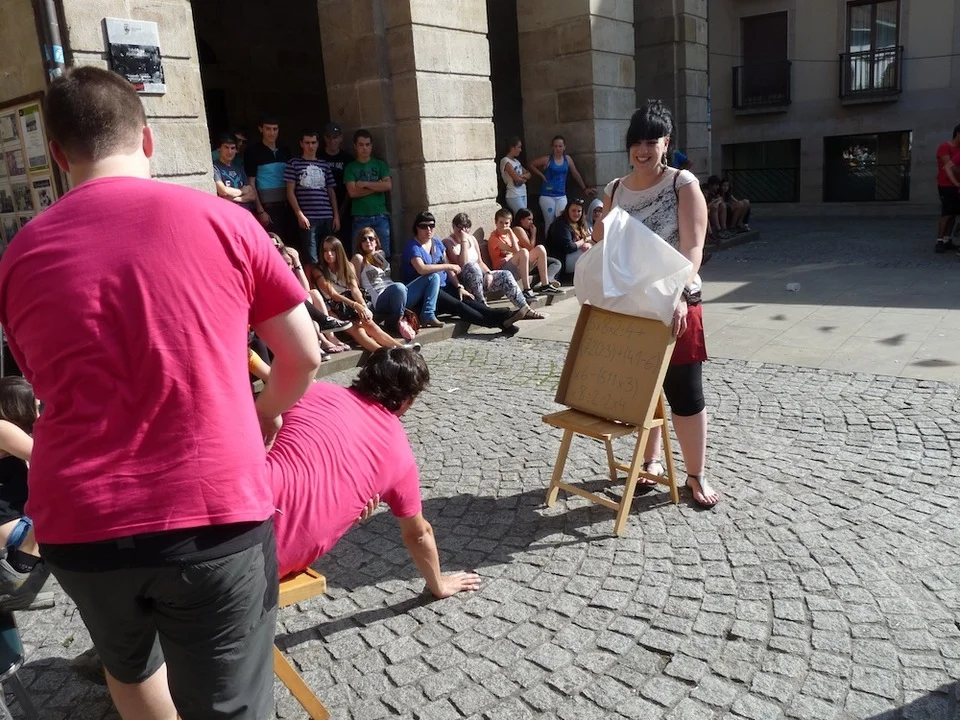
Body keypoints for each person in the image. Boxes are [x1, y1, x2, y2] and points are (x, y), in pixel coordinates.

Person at [0, 67, 322, 720]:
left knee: (130, 667)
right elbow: (304, 356)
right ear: (148, 140)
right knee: (230, 703)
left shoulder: (19, 255)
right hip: (212, 515)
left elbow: (39, 376)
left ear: (57, 155)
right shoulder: (225, 222)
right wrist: (264, 413)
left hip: (80, 522)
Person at [594, 100, 719, 510]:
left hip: (677, 302)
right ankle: (650, 462)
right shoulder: (615, 189)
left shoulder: (682, 184)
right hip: (633, 306)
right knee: (641, 390)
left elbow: (693, 248)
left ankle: (696, 473)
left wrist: (680, 295)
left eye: (652, 141)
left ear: (666, 143)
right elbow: (604, 245)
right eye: (636, 142)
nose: (643, 150)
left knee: (684, 391)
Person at [402, 212, 518, 332]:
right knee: (459, 306)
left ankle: (504, 320)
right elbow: (422, 269)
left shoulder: (436, 242)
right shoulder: (413, 247)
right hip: (429, 292)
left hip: (446, 286)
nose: (428, 229)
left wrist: (458, 286)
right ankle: (501, 319)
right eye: (423, 226)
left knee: (468, 300)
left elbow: (449, 269)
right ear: (417, 228)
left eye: (431, 226)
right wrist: (449, 266)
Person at [0, 377, 52, 611]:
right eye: (36, 406)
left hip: (17, 526)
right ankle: (21, 571)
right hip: (16, 533)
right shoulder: (2, 428)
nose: (39, 412)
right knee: (65, 498)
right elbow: (51, 459)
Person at [313, 236, 411, 353]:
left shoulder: (348, 266)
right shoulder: (318, 270)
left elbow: (355, 289)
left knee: (372, 326)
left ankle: (403, 350)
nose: (329, 254)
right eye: (325, 251)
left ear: (339, 251)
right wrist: (355, 305)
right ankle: (383, 354)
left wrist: (363, 306)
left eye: (332, 250)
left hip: (350, 306)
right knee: (359, 331)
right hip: (335, 309)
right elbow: (332, 294)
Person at [443, 213, 545, 324]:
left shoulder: (472, 239)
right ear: (453, 227)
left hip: (480, 278)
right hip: (465, 281)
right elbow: (463, 263)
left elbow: (480, 261)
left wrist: (488, 273)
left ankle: (524, 308)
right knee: (472, 266)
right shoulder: (448, 242)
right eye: (459, 228)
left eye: (466, 228)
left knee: (505, 274)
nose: (463, 231)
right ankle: (483, 307)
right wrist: (463, 241)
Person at [284, 130, 340, 277]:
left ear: (318, 144)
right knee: (311, 257)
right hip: (308, 218)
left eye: (313, 142)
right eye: (307, 143)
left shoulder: (324, 164)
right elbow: (290, 192)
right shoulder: (294, 163)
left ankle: (330, 284)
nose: (310, 146)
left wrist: (336, 216)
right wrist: (299, 214)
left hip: (327, 216)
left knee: (330, 254)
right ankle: (311, 287)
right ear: (301, 144)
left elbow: (331, 191)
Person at [352, 227, 425, 339]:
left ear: (376, 241)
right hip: (379, 297)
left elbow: (380, 254)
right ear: (360, 243)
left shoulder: (380, 255)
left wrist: (376, 254)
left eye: (371, 238)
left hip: (396, 294)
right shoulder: (359, 258)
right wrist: (362, 305)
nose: (367, 241)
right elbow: (356, 284)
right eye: (363, 239)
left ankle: (428, 314)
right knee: (399, 287)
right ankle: (398, 320)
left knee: (431, 278)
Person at [528, 135, 595, 233]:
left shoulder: (567, 159)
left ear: (564, 147)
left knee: (563, 221)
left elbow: (575, 173)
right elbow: (531, 164)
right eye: (555, 146)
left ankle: (561, 240)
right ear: (552, 147)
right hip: (547, 195)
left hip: (561, 195)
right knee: (550, 222)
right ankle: (549, 242)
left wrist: (584, 188)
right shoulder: (548, 159)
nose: (558, 149)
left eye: (560, 146)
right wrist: (541, 175)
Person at [489, 207, 561, 298]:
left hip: (516, 265)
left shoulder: (509, 235)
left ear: (510, 223)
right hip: (503, 269)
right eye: (501, 223)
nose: (504, 226)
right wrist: (510, 232)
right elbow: (516, 251)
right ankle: (527, 289)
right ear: (496, 222)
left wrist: (510, 233)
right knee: (523, 252)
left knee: (540, 248)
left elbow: (517, 250)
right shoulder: (494, 238)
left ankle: (545, 285)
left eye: (506, 223)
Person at [345, 129, 392, 257]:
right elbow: (353, 192)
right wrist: (377, 186)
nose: (364, 148)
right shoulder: (350, 167)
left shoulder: (380, 165)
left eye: (367, 144)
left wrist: (365, 184)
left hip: (380, 216)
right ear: (355, 146)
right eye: (361, 145)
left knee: (383, 255)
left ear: (371, 145)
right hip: (360, 217)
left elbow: (388, 185)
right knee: (359, 255)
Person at [246, 115, 293, 236]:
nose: (272, 133)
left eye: (275, 129)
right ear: (260, 129)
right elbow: (251, 183)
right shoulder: (253, 152)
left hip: (288, 206)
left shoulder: (285, 150)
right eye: (268, 129)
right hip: (267, 207)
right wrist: (260, 210)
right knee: (274, 241)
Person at [318, 122, 354, 240]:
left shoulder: (348, 158)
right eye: (329, 137)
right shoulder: (318, 156)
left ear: (341, 138)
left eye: (335, 137)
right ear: (324, 138)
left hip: (344, 204)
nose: (332, 141)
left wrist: (341, 210)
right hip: (322, 206)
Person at [511, 208, 562, 284]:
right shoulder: (517, 229)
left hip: (529, 261)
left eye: (532, 220)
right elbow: (530, 248)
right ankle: (547, 281)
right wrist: (534, 234)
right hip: (523, 263)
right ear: (521, 219)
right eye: (529, 219)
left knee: (555, 264)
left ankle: (547, 280)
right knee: (555, 263)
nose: (531, 222)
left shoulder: (525, 230)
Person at [546, 198, 593, 276]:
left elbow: (589, 238)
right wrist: (584, 240)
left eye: (579, 211)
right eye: (573, 210)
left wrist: (587, 243)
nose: (576, 213)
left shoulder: (580, 222)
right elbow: (569, 247)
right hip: (562, 261)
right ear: (567, 211)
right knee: (591, 252)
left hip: (572, 256)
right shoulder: (560, 224)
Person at [212, 132, 256, 213]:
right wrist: (242, 191)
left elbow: (252, 195)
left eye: (232, 148)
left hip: (244, 212)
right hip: (227, 213)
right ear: (219, 148)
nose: (230, 152)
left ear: (236, 150)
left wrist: (234, 198)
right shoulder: (215, 167)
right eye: (226, 147)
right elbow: (223, 191)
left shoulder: (239, 167)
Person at [935, 123, 960, 253]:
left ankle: (947, 239)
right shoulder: (945, 147)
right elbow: (950, 167)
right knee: (947, 213)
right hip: (946, 185)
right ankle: (939, 241)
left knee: (954, 213)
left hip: (957, 186)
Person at [500, 136, 531, 213]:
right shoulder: (505, 161)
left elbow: (529, 174)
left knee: (522, 216)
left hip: (522, 192)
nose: (520, 150)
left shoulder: (516, 161)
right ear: (512, 148)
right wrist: (523, 178)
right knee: (523, 216)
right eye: (519, 147)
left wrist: (522, 176)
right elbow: (517, 179)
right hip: (514, 194)